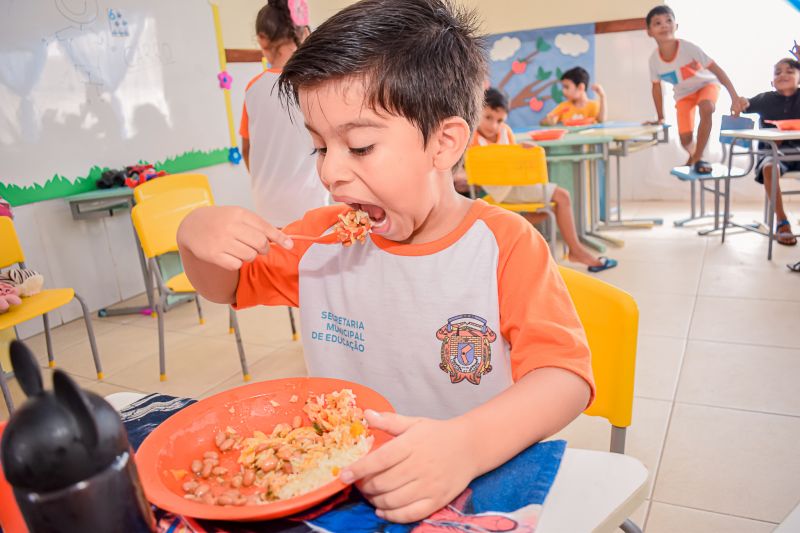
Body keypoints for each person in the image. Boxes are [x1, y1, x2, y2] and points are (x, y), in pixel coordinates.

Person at [177, 0, 594, 523]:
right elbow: (224, 286)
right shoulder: (322, 240)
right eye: (319, 148)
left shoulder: (503, 245)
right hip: (345, 480)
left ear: (444, 144)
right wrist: (194, 238)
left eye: (359, 146)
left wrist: (466, 446)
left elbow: (565, 378)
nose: (330, 173)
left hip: (470, 477)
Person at [462, 88, 617, 271]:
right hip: (501, 189)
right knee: (562, 197)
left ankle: (507, 231)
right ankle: (576, 251)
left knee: (551, 208)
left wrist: (522, 151)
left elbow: (515, 163)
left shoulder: (506, 132)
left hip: (516, 184)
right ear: (478, 112)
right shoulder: (472, 139)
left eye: (500, 120)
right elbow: (475, 172)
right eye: (488, 117)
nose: (494, 125)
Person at [240, 0, 328, 227]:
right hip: (311, 203)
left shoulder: (252, 88)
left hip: (266, 206)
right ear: (303, 33)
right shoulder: (316, 83)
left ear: (262, 39)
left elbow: (246, 150)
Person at [646, 4, 743, 174]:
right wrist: (660, 117)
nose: (664, 25)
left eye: (668, 21)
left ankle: (697, 158)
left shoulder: (688, 48)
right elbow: (656, 88)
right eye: (657, 23)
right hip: (683, 95)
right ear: (649, 32)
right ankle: (695, 157)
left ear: (676, 26)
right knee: (685, 139)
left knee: (707, 107)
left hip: (707, 84)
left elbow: (717, 70)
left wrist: (734, 97)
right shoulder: (654, 60)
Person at [738, 58, 800, 246]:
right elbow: (744, 105)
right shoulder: (765, 99)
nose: (783, 75)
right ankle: (782, 221)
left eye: (790, 71)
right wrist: (740, 102)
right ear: (772, 81)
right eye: (777, 72)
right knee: (769, 168)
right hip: (772, 153)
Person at [541, 67, 606, 126]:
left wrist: (602, 97)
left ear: (580, 87)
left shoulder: (594, 105)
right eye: (563, 87)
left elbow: (601, 121)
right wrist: (549, 121)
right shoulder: (563, 106)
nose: (563, 91)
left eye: (566, 87)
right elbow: (542, 122)